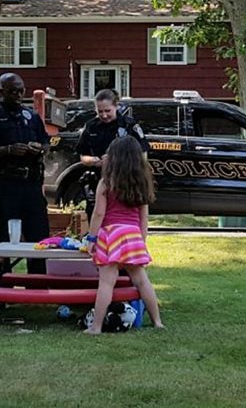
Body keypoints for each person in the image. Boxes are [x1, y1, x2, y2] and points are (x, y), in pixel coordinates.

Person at [0, 72, 50, 275]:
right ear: (2, 91)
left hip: (30, 185)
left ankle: (38, 288)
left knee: (39, 236)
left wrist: (38, 148)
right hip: (3, 185)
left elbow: (46, 143)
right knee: (0, 237)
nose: (17, 94)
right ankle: (0, 290)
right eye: (12, 91)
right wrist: (8, 150)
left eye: (21, 90)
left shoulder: (30, 116)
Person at [84, 136, 164, 334]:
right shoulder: (142, 182)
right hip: (133, 234)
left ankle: (96, 326)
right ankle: (157, 321)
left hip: (111, 234)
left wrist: (91, 239)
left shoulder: (106, 182)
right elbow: (144, 217)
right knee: (142, 280)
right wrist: (141, 242)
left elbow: (99, 213)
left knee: (106, 282)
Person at [75, 89, 149, 219]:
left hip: (125, 184)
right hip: (98, 182)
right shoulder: (91, 126)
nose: (104, 115)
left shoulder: (128, 126)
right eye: (100, 111)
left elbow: (142, 156)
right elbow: (82, 156)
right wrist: (94, 161)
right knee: (96, 217)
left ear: (116, 106)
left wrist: (116, 162)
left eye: (107, 111)